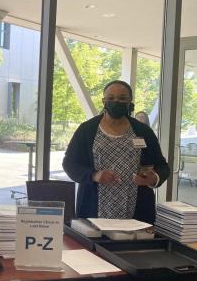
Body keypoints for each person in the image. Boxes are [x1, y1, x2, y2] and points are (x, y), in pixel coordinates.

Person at [63, 80, 169, 224]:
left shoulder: (143, 131)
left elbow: (162, 166)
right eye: (111, 98)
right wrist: (94, 175)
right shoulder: (87, 130)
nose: (116, 101)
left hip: (137, 213)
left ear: (129, 101)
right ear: (104, 101)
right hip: (93, 210)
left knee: (134, 247)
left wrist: (153, 178)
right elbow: (69, 163)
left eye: (122, 98)